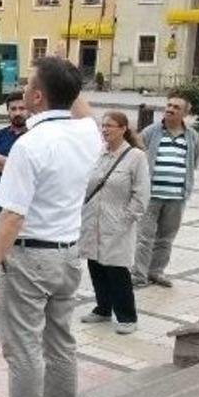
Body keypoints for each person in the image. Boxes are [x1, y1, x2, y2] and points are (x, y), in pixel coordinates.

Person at [0, 56, 102, 397]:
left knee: (23, 345)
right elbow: (77, 102)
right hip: (67, 254)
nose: (25, 89)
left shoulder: (30, 146)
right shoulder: (87, 134)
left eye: (30, 83)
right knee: (60, 340)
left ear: (36, 96)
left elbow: (11, 217)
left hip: (30, 257)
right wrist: (64, 74)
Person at [80, 111, 150, 334]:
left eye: (110, 125)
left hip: (118, 223)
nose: (105, 130)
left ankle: (127, 316)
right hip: (93, 221)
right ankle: (103, 308)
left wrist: (126, 219)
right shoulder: (100, 153)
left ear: (123, 128)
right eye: (103, 126)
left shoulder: (136, 157)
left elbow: (141, 195)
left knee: (117, 270)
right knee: (96, 265)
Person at [133, 92, 199, 288]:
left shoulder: (192, 136)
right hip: (150, 196)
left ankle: (156, 272)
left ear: (186, 113)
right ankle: (138, 275)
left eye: (176, 107)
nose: (170, 109)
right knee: (144, 238)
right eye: (169, 105)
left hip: (177, 198)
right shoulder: (150, 132)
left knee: (165, 238)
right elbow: (135, 156)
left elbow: (193, 163)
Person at [0, 91, 29, 222]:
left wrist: (1, 160)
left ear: (29, 109)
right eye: (13, 109)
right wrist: (18, 166)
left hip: (27, 205)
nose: (17, 113)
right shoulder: (1, 135)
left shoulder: (36, 134)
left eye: (22, 108)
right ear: (8, 111)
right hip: (1, 202)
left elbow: (34, 168)